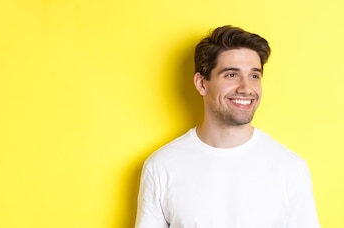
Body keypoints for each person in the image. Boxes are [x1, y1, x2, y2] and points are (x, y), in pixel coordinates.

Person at [135, 25, 320, 228]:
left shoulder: (290, 168)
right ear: (202, 83)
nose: (246, 88)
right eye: (231, 75)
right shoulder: (162, 167)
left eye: (254, 76)